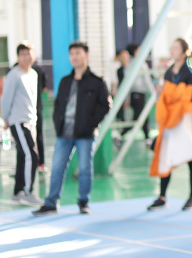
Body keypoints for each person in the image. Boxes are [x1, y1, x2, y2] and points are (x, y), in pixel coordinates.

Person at [33, 42, 111, 215]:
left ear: (86, 55)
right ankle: (51, 203)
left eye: (78, 53)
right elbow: (58, 105)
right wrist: (57, 123)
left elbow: (106, 106)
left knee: (85, 169)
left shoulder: (97, 82)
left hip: (85, 134)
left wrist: (92, 123)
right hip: (64, 133)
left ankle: (83, 202)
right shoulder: (65, 81)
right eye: (72, 54)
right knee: (57, 168)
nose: (75, 57)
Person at [147, 38, 192, 211]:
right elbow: (166, 96)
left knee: (191, 157)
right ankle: (162, 197)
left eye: (175, 48)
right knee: (165, 156)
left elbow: (189, 95)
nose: (172, 50)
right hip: (170, 120)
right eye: (171, 47)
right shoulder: (169, 72)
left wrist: (170, 93)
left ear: (184, 52)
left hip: (185, 120)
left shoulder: (190, 71)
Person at [1, 42, 41, 206]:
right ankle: (28, 191)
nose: (26, 57)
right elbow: (6, 99)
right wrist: (5, 119)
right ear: (18, 57)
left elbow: (33, 99)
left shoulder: (33, 74)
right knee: (32, 155)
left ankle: (18, 192)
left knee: (22, 155)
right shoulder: (14, 75)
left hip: (31, 121)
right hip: (18, 121)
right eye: (22, 54)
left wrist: (34, 119)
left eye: (28, 53)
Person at [125, 43, 152, 142]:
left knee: (142, 117)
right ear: (135, 52)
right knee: (138, 118)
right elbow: (147, 80)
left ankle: (147, 137)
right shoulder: (141, 64)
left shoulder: (128, 65)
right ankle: (121, 134)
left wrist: (127, 98)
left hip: (133, 95)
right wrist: (153, 92)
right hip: (139, 94)